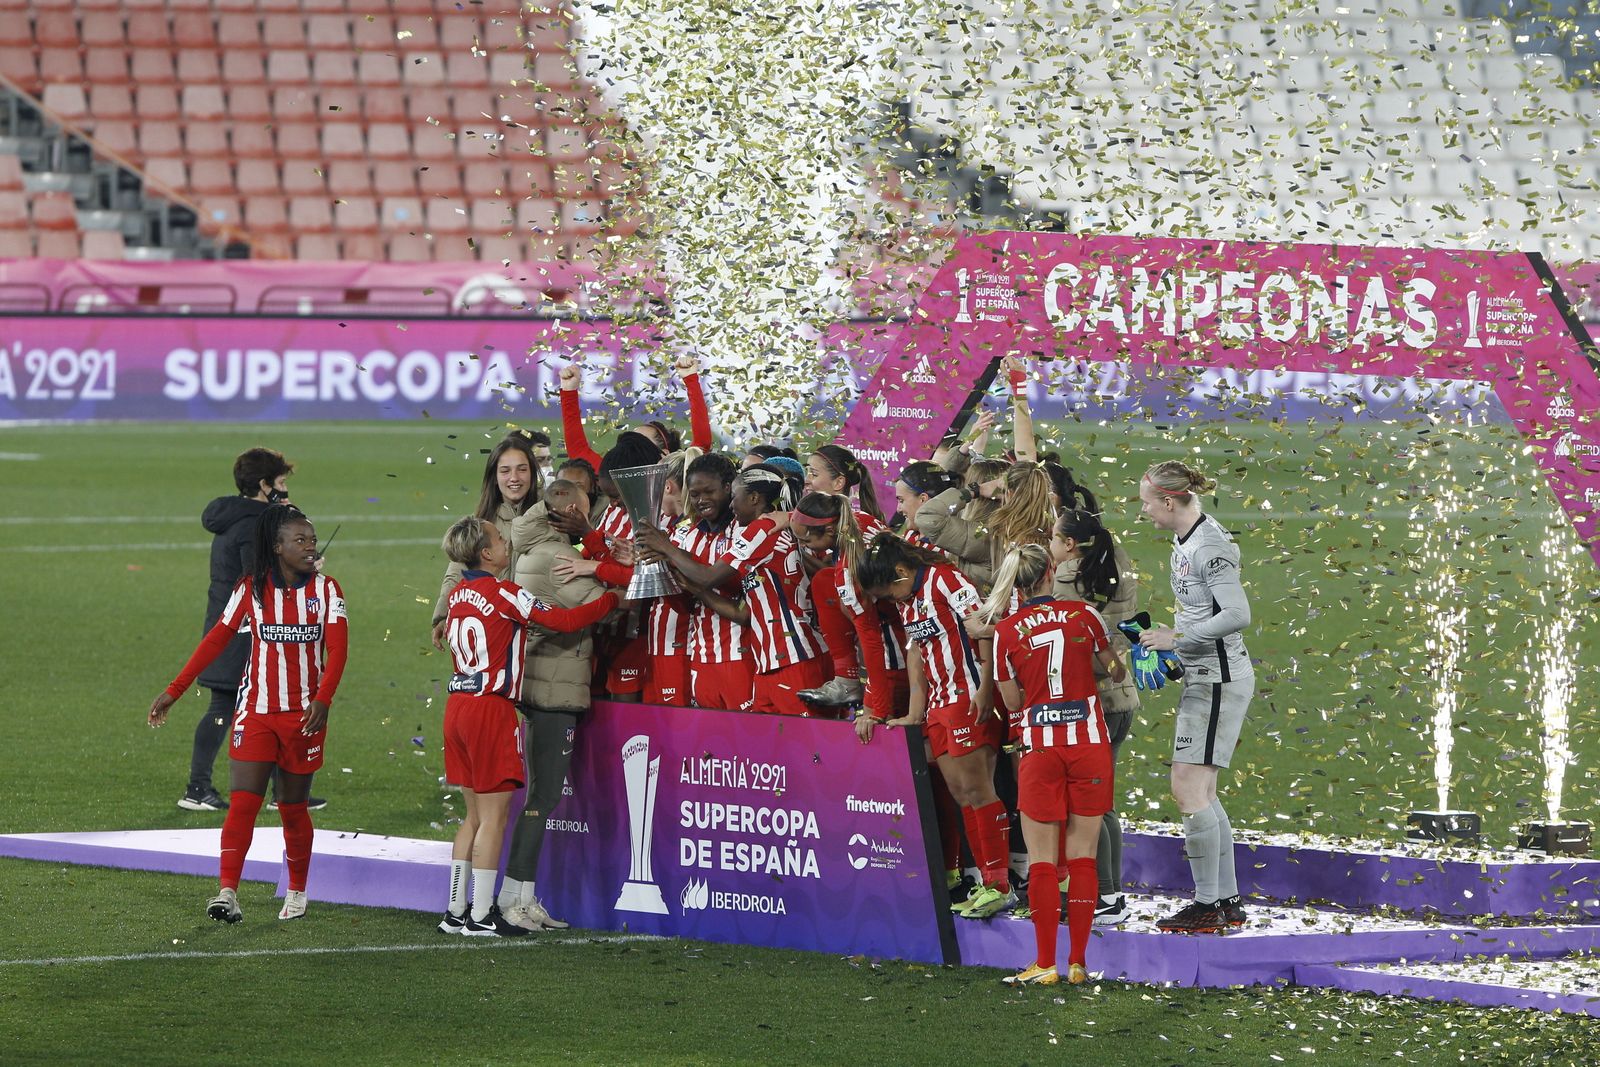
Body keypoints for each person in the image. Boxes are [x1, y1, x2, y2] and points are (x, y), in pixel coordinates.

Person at [148, 505, 347, 924]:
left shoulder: (328, 591)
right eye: (300, 541)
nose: (310, 547)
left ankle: (296, 890)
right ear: (277, 547)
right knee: (243, 804)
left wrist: (323, 700)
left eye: (312, 540)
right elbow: (215, 640)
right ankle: (227, 892)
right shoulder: (250, 589)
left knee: (293, 809)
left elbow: (339, 652)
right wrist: (174, 691)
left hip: (302, 717)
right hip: (255, 714)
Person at [434, 516, 621, 937]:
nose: (506, 543)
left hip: (457, 707)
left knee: (472, 818)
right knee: (496, 818)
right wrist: (611, 601)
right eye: (499, 539)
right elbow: (567, 622)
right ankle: (481, 916)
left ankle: (455, 911)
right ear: (486, 553)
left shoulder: (459, 595)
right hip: (490, 710)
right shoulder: (505, 594)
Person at [986, 544, 1126, 986]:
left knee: (1043, 862)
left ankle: (1045, 963)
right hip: (1089, 744)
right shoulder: (1086, 614)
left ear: (1015, 583)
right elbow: (1115, 671)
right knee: (1084, 858)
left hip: (1041, 749)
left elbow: (1010, 701)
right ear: (1050, 573)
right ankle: (1079, 962)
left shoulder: (1005, 632)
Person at [857, 533, 1014, 920]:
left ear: (900, 570)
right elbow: (917, 655)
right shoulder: (909, 600)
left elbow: (984, 630)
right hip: (939, 706)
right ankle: (986, 883)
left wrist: (985, 689)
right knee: (962, 795)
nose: (891, 601)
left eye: (889, 593)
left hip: (968, 697)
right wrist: (914, 713)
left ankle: (1000, 886)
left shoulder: (947, 580)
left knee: (979, 790)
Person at [498, 479, 624, 930]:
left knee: (540, 795)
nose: (589, 519)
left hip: (538, 681)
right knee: (543, 797)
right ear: (570, 511)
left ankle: (522, 896)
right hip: (555, 687)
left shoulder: (530, 548)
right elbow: (619, 599)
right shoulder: (561, 559)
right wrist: (603, 566)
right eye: (585, 512)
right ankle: (514, 901)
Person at [1136, 460, 1254, 933]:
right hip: (1205, 673)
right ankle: (1225, 900)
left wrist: (1177, 639)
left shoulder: (1208, 546)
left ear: (1168, 500)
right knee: (1203, 790)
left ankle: (1208, 904)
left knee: (1187, 788)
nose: (1143, 512)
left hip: (1219, 680)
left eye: (1147, 503)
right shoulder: (1186, 539)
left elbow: (1238, 614)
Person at [179, 447, 294, 813]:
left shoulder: (236, 515)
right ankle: (197, 788)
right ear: (264, 485)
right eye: (280, 482)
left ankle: (280, 792)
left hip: (229, 625)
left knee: (268, 705)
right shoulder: (253, 524)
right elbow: (257, 580)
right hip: (243, 632)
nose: (285, 489)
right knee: (229, 705)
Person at [1052, 508, 1141, 927]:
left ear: (1069, 545)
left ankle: (1104, 897)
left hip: (1094, 703)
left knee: (1087, 806)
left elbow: (1072, 647)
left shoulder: (1068, 580)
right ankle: (1113, 895)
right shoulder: (1115, 562)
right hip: (1122, 700)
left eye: (1054, 538)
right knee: (1102, 806)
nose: (1050, 546)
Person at [689, 467, 828, 714]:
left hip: (794, 657)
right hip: (771, 661)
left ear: (754, 498)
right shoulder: (777, 527)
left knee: (809, 748)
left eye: (734, 496)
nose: (731, 505)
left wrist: (663, 545)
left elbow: (707, 577)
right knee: (768, 749)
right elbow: (744, 610)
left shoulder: (763, 529)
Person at [635, 453, 755, 711]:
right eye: (695, 493)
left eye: (709, 491)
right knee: (705, 745)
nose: (702, 500)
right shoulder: (687, 535)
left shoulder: (744, 531)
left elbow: (734, 585)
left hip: (741, 655)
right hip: (700, 656)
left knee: (747, 744)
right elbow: (683, 600)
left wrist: (668, 550)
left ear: (727, 487)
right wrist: (658, 565)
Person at [795, 444, 892, 709]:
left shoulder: (855, 537)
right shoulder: (848, 526)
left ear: (839, 482)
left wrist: (875, 708)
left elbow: (870, 634)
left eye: (814, 474)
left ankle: (857, 686)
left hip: (902, 648)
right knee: (826, 581)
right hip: (890, 643)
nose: (808, 480)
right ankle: (847, 679)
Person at [430, 433, 543, 649]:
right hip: (496, 635)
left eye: (522, 469)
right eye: (505, 470)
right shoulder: (484, 523)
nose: (514, 478)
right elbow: (457, 571)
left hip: (542, 637)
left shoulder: (549, 512)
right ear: (494, 476)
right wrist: (442, 615)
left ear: (532, 472)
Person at [557, 353, 713, 470]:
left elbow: (701, 444)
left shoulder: (678, 477)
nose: (629, 444)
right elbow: (578, 451)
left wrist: (691, 379)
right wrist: (569, 391)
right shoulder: (613, 475)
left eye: (639, 441)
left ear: (664, 454)